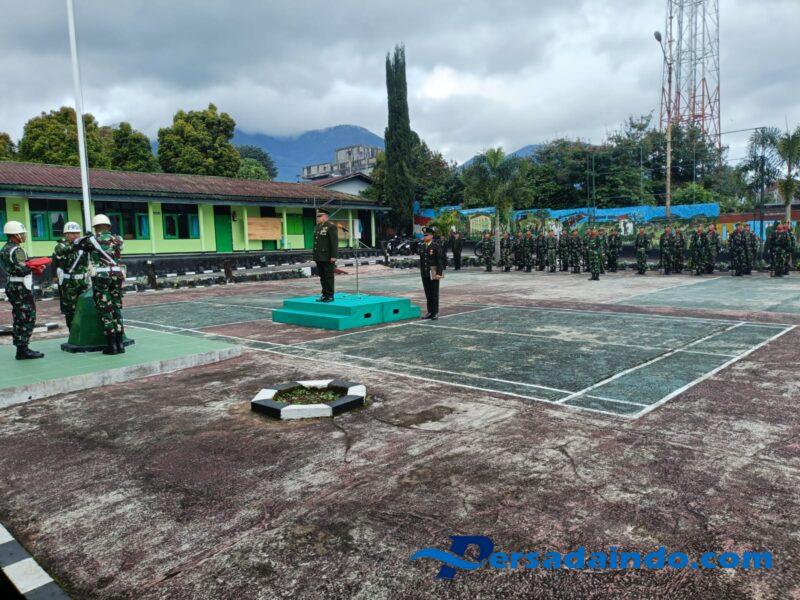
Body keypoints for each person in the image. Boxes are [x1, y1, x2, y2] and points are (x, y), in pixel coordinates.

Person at [1, 221, 44, 359]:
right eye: (23, 234)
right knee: (27, 316)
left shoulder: (5, 248)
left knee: (19, 316)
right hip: (21, 287)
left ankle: (21, 348)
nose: (24, 236)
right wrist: (36, 267)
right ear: (16, 235)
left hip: (12, 285)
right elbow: (22, 269)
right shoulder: (17, 250)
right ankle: (23, 350)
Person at [88, 214, 126, 354]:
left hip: (101, 278)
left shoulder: (92, 240)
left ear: (95, 227)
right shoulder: (118, 239)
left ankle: (111, 345)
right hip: (116, 276)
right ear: (109, 227)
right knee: (116, 308)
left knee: (106, 309)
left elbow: (79, 246)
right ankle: (120, 344)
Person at [52, 221, 89, 331]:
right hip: (69, 284)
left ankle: (84, 332)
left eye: (77, 233)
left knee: (85, 307)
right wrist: (77, 245)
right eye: (73, 233)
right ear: (66, 234)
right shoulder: (60, 246)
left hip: (83, 282)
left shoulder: (82, 245)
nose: (76, 235)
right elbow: (61, 252)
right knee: (70, 310)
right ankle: (73, 332)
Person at [312, 208, 339, 302]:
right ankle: (324, 294)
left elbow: (334, 243)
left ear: (325, 217)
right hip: (319, 256)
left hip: (328, 257)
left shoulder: (331, 226)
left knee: (329, 277)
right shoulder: (317, 227)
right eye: (317, 216)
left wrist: (334, 256)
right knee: (322, 277)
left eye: (319, 216)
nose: (317, 218)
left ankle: (330, 295)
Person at [418, 227, 444, 320]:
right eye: (424, 235)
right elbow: (422, 260)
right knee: (428, 293)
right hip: (425, 273)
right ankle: (429, 312)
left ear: (431, 236)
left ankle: (435, 312)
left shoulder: (435, 246)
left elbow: (439, 261)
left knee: (434, 293)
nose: (425, 237)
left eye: (426, 235)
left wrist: (439, 273)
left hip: (433, 273)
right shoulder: (422, 246)